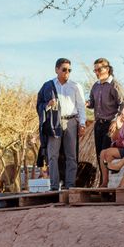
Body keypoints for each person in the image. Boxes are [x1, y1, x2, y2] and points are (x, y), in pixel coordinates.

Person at [36, 58, 86, 191]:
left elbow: (81, 106)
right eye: (64, 69)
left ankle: (70, 186)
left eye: (69, 70)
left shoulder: (76, 86)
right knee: (53, 155)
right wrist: (47, 105)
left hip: (71, 121)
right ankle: (53, 187)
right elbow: (38, 104)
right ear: (56, 69)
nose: (67, 72)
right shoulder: (48, 86)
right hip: (54, 123)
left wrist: (82, 124)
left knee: (72, 156)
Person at [86, 57, 124, 184]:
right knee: (99, 153)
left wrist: (116, 121)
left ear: (107, 69)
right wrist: (86, 103)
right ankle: (104, 181)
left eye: (99, 69)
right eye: (95, 70)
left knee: (106, 152)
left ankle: (108, 182)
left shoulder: (114, 85)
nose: (97, 72)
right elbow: (92, 104)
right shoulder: (95, 86)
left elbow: (123, 104)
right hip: (98, 124)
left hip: (111, 124)